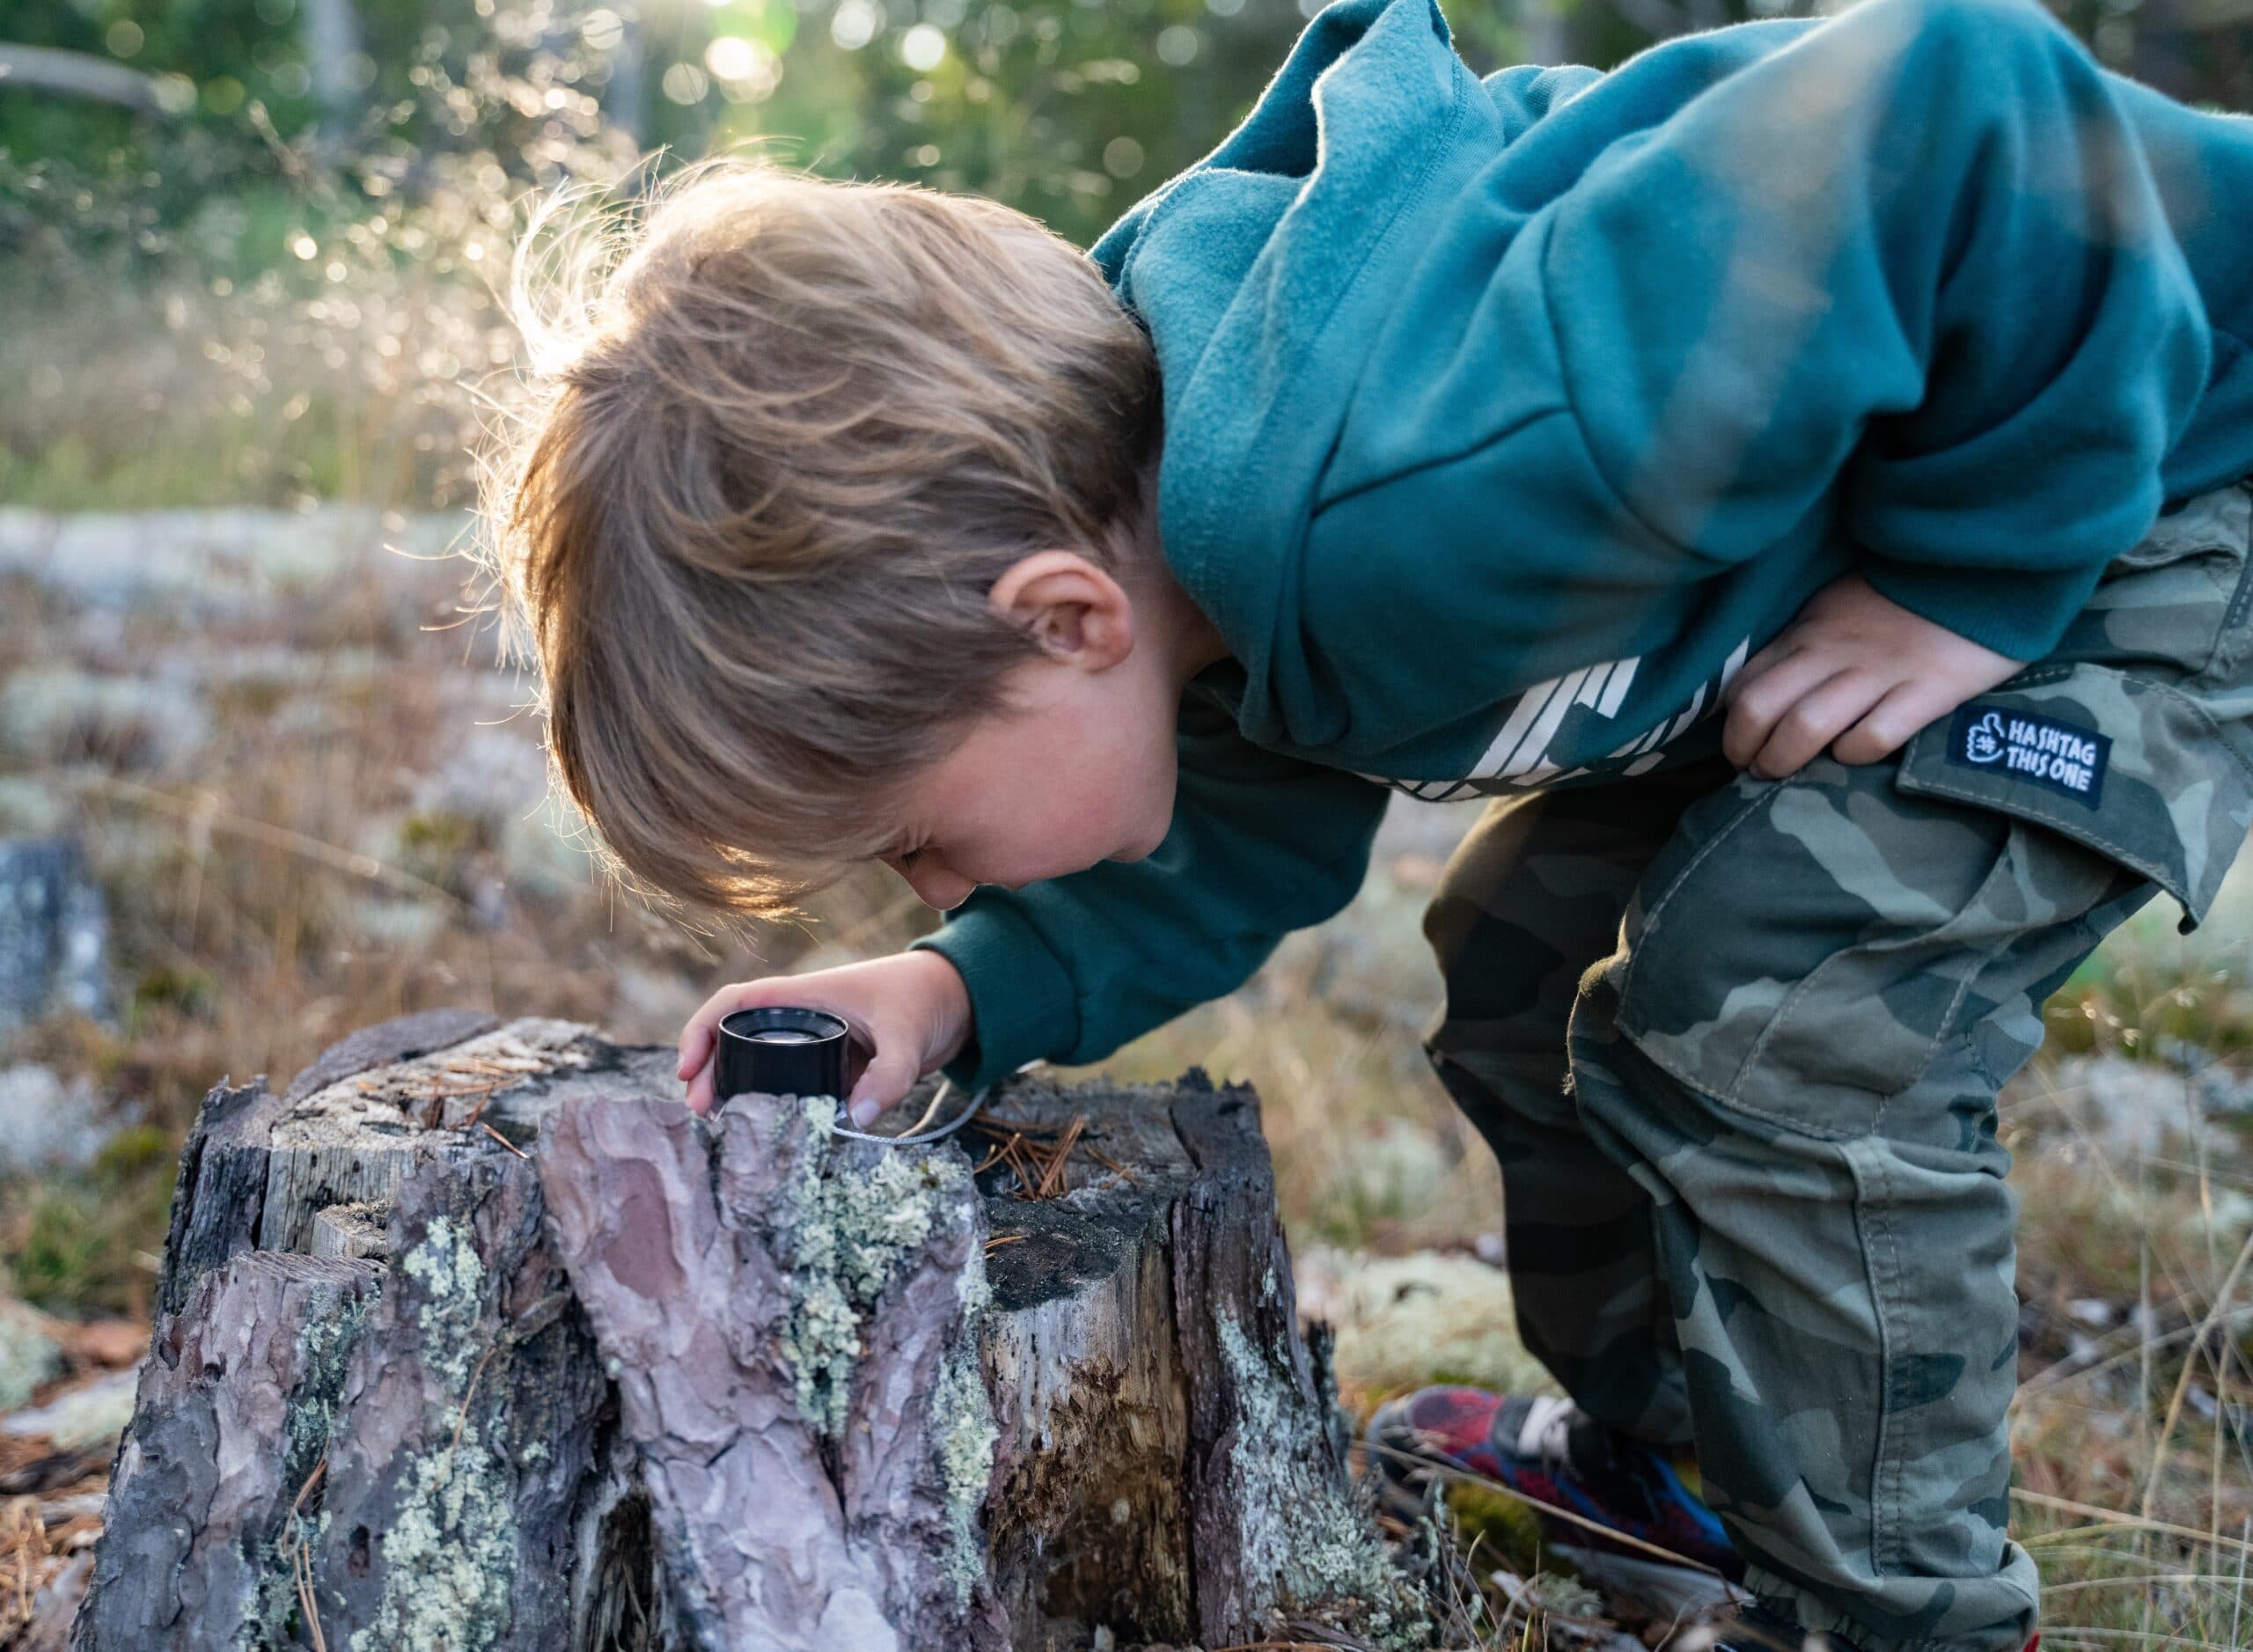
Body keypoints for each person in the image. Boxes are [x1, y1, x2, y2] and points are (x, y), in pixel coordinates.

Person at [477, 0, 2253, 1643]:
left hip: (2155, 472)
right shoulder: (1192, 564)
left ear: (1060, 622)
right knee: (1519, 963)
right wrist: (957, 986)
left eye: (918, 839)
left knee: (1782, 1017)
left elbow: (1956, 96)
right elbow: (1229, 833)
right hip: (1963, 507)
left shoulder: (1425, 487)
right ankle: (1694, 1468)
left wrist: (1968, 572)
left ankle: (1898, 1618)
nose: (926, 875)